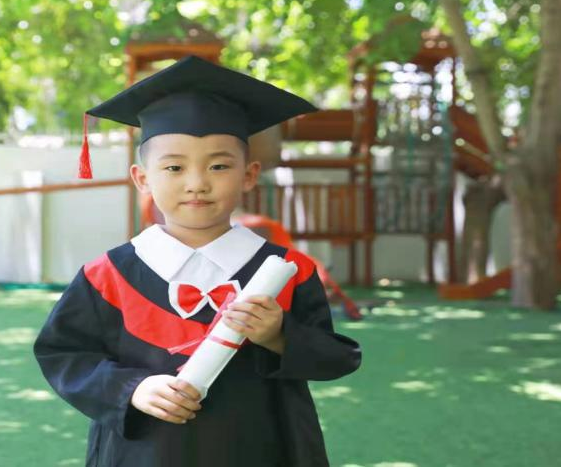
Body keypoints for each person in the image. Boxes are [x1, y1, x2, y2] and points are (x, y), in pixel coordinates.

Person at [33, 55, 362, 467]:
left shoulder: (287, 271)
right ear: (142, 178)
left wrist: (280, 336)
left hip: (264, 449)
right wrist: (130, 389)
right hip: (145, 453)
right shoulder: (107, 276)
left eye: (219, 165)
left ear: (248, 174)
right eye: (174, 167)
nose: (197, 183)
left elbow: (337, 357)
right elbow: (63, 354)